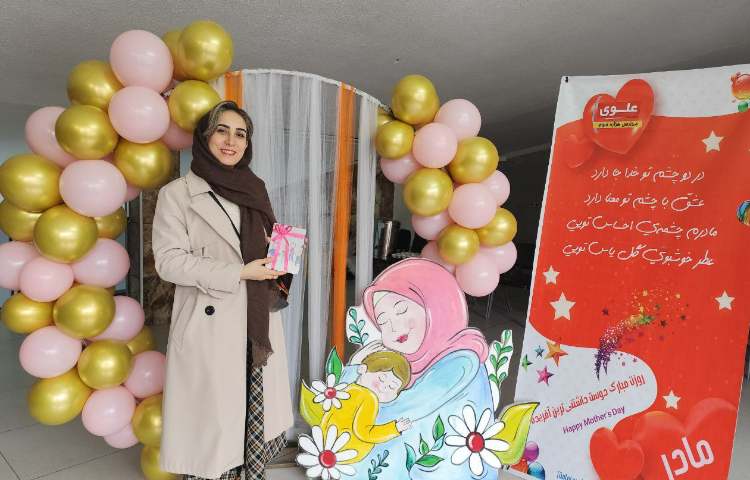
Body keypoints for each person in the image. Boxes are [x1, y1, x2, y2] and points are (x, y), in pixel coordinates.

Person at [152, 101, 293, 479]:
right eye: (222, 130)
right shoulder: (178, 194)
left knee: (253, 411)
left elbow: (265, 245)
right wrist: (238, 272)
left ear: (248, 143)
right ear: (204, 137)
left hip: (256, 320)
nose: (231, 141)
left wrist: (281, 254)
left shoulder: (255, 188)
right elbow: (168, 262)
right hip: (212, 322)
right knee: (215, 423)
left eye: (240, 134)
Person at [318, 351, 412, 464]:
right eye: (381, 378)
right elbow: (365, 433)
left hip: (325, 445)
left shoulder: (349, 389)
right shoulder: (369, 398)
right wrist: (394, 428)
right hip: (346, 450)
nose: (383, 387)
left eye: (392, 386)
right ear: (363, 369)